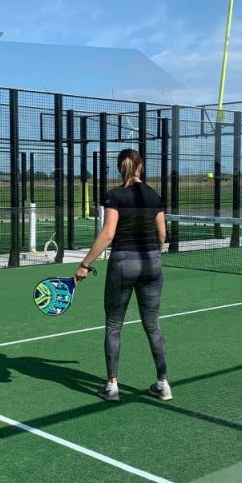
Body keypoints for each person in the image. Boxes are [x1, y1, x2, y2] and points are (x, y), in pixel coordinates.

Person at [75, 149, 170, 402]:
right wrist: (154, 253)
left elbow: (108, 234)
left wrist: (85, 264)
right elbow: (162, 235)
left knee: (114, 325)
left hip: (124, 264)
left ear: (120, 168)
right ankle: (163, 384)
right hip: (152, 263)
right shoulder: (154, 196)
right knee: (153, 324)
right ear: (141, 167)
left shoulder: (114, 196)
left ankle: (112, 387)